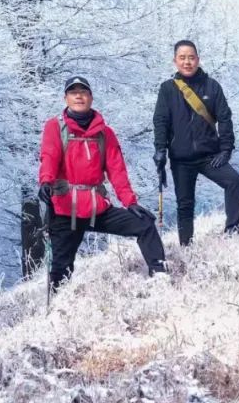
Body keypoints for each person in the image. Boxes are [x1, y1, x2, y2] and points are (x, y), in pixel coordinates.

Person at [39, 76, 167, 288]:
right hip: (64, 209)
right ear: (66, 98)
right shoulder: (54, 127)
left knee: (145, 224)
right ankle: (57, 309)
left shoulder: (105, 133)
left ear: (91, 97)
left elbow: (117, 170)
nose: (79, 96)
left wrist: (130, 202)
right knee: (61, 268)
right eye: (73, 92)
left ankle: (161, 276)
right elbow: (49, 155)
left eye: (83, 92)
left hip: (96, 207)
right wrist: (46, 181)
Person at [153, 40, 239, 246]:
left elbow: (225, 118)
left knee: (234, 182)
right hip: (181, 158)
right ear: (175, 61)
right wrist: (160, 150)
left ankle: (233, 230)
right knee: (185, 204)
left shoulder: (212, 86)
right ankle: (186, 246)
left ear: (198, 59)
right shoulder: (167, 89)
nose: (187, 62)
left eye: (191, 57)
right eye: (182, 58)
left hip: (209, 155)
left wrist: (226, 149)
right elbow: (161, 121)